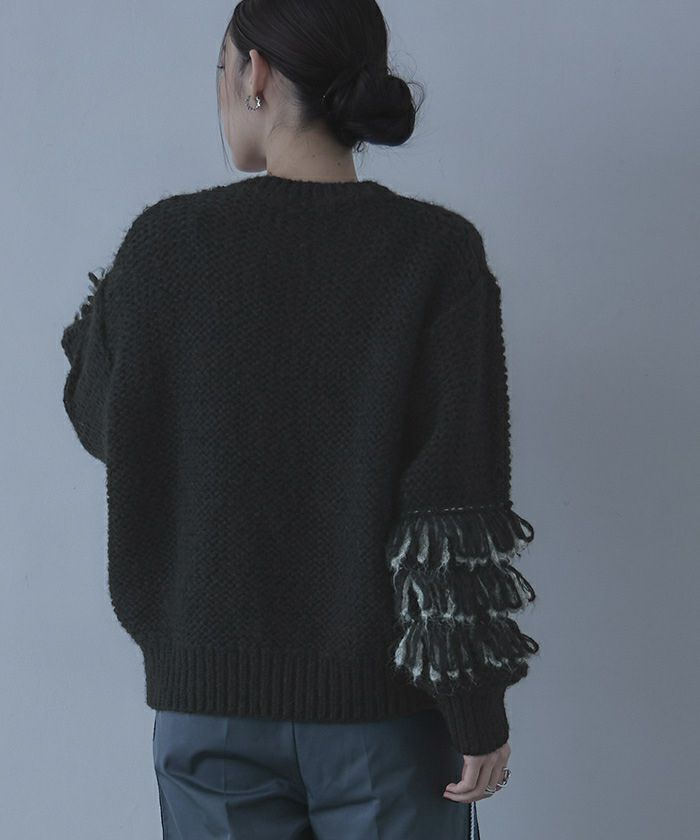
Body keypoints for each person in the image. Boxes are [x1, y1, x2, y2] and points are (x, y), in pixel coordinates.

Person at [60, 1, 540, 837]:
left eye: (222, 66)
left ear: (255, 73)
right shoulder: (435, 252)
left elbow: (102, 417)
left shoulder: (165, 246)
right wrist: (475, 706)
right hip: (387, 720)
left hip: (208, 715)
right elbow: (452, 500)